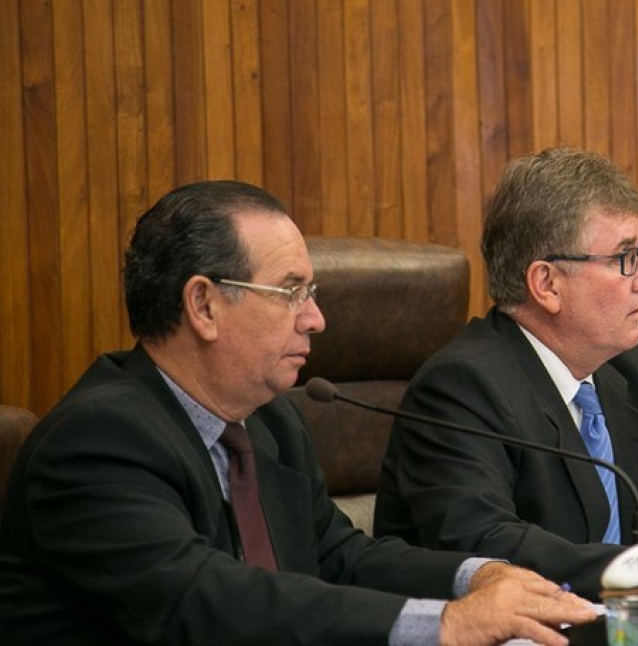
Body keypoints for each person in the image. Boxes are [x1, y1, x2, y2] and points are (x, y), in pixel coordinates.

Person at [0, 180, 597, 645]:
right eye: (292, 292)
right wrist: (446, 624)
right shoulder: (99, 440)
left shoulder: (270, 422)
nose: (316, 320)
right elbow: (204, 602)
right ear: (203, 305)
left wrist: (477, 577)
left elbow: (342, 558)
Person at [373, 147, 638, 606]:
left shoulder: (634, 369)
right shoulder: (462, 388)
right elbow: (487, 547)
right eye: (625, 257)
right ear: (547, 284)